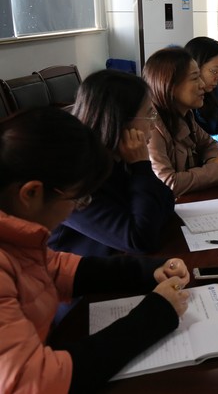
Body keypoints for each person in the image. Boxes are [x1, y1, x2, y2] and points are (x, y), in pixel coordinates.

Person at [0, 107, 189, 393]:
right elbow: (34, 381)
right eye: (78, 199)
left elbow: (55, 267)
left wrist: (149, 270)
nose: (76, 210)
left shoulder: (18, 235)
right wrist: (155, 314)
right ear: (31, 193)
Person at [48, 70, 175, 257]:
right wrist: (141, 166)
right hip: (79, 271)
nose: (153, 125)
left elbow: (167, 202)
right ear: (119, 122)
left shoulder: (117, 158)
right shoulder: (73, 176)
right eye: (149, 115)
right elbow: (140, 240)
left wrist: (140, 167)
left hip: (117, 262)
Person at [143, 47, 218, 197]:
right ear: (170, 84)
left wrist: (215, 160)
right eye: (195, 78)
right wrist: (217, 168)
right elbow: (166, 183)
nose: (202, 84)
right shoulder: (151, 126)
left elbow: (208, 144)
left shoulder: (185, 114)